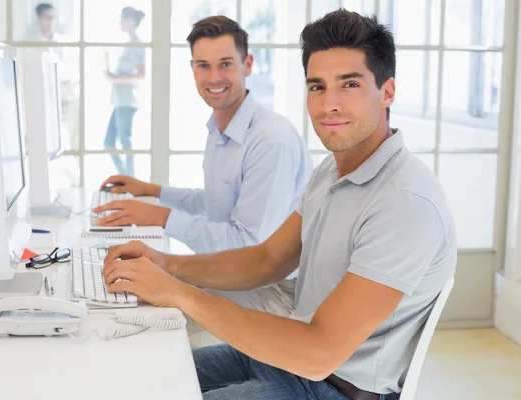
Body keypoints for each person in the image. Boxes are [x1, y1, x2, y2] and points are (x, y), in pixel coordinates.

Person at [100, 9, 457, 400]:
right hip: (285, 358)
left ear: (387, 92)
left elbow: (319, 354)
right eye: (317, 87)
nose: (328, 105)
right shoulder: (332, 171)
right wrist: (166, 265)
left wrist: (179, 292)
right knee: (128, 378)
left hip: (331, 385)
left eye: (349, 84)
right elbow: (267, 259)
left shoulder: (404, 203)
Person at [94, 16, 313, 343]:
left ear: (247, 64)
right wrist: (154, 192)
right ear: (192, 68)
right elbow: (215, 203)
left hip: (276, 293)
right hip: (237, 276)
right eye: (203, 65)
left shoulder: (270, 140)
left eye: (225, 64)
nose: (214, 77)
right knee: (127, 298)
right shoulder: (221, 126)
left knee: (143, 322)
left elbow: (248, 246)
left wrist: (161, 217)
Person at [25, 3, 81, 183]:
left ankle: (75, 181)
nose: (51, 22)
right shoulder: (30, 43)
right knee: (46, 142)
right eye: (47, 17)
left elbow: (75, 69)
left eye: (53, 18)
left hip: (68, 97)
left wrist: (71, 79)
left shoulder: (62, 42)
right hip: (44, 101)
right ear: (38, 18)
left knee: (70, 142)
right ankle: (50, 181)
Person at [103, 6, 146, 176]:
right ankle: (125, 177)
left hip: (127, 101)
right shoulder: (128, 45)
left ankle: (130, 180)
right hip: (119, 100)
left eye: (122, 18)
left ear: (130, 22)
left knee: (125, 143)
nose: (120, 22)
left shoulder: (137, 45)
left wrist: (115, 78)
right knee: (109, 143)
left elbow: (141, 75)